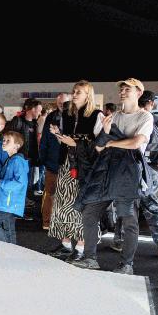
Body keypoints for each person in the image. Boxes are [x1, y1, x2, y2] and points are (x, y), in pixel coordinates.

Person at [72, 78, 154, 275]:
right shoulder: (113, 116)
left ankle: (127, 264)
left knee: (129, 220)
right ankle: (90, 258)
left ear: (138, 93)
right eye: (121, 90)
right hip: (107, 172)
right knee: (89, 213)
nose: (123, 92)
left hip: (127, 174)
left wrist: (110, 141)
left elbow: (136, 143)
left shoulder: (145, 117)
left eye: (127, 89)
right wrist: (107, 134)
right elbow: (99, 148)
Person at [47, 82, 103, 260]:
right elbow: (64, 141)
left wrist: (76, 143)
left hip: (85, 167)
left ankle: (80, 247)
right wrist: (58, 134)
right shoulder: (67, 114)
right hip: (66, 163)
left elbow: (100, 145)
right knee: (62, 204)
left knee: (80, 206)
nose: (75, 94)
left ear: (88, 95)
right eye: (74, 91)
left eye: (79, 92)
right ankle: (65, 245)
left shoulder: (97, 115)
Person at [133, 89, 158, 257]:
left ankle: (119, 240)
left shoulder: (129, 119)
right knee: (153, 207)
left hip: (130, 167)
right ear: (151, 103)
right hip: (150, 170)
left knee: (127, 206)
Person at [0, 131, 29, 244]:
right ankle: (11, 249)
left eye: (8, 141)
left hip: (11, 203)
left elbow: (20, 183)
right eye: (4, 140)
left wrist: (1, 183)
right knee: (8, 228)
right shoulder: (10, 159)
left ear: (17, 146)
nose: (4, 142)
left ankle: (6, 247)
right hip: (7, 202)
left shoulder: (17, 161)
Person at [5, 98, 43, 219]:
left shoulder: (35, 123)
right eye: (38, 110)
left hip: (31, 160)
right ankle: (15, 212)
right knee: (18, 185)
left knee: (27, 186)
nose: (40, 113)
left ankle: (21, 211)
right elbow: (8, 137)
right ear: (31, 109)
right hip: (19, 160)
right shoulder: (18, 121)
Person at [39, 92, 71, 231]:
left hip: (70, 162)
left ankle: (63, 222)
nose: (62, 105)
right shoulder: (51, 117)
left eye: (64, 103)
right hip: (53, 161)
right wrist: (43, 158)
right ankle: (47, 222)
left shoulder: (75, 116)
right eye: (59, 103)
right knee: (50, 192)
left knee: (67, 194)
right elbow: (45, 139)